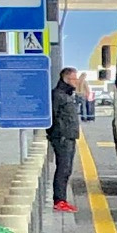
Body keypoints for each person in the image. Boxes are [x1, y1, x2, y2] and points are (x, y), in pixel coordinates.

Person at [47, 66, 80, 213]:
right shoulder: (58, 95)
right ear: (66, 79)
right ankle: (59, 200)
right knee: (63, 168)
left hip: (69, 136)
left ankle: (62, 200)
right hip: (62, 137)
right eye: (74, 78)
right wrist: (55, 133)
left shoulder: (67, 94)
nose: (77, 81)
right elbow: (52, 116)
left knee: (67, 169)